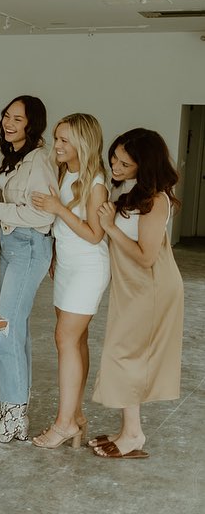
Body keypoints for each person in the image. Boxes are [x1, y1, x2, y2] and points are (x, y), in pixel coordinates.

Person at [0, 95, 57, 442]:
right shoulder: (15, 157)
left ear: (32, 124)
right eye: (6, 116)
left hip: (29, 247)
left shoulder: (40, 161)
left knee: (4, 329)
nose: (8, 123)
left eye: (18, 119)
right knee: (15, 330)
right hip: (10, 246)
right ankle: (12, 409)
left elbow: (43, 214)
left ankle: (15, 414)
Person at [89, 128, 183, 459]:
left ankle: (133, 434)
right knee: (126, 354)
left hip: (151, 287)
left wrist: (111, 227)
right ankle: (128, 431)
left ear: (144, 165)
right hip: (132, 287)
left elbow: (146, 256)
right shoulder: (130, 192)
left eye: (124, 163)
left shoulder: (157, 200)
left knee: (125, 354)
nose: (115, 167)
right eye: (114, 159)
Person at [28, 113, 109, 449]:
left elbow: (94, 235)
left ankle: (64, 425)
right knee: (76, 340)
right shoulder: (65, 172)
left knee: (65, 338)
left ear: (83, 143)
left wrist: (59, 208)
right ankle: (75, 416)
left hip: (88, 267)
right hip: (66, 266)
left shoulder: (96, 183)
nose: (57, 145)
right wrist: (55, 254)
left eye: (64, 140)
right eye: (56, 138)